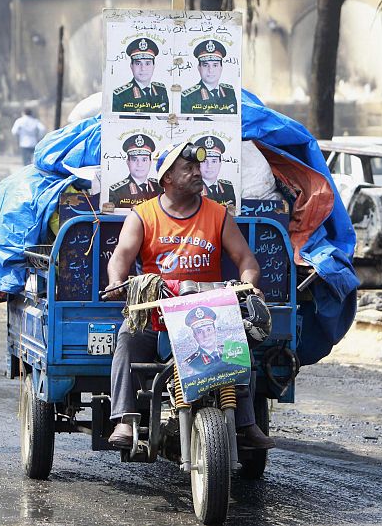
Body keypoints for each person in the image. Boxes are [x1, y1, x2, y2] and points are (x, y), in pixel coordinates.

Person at [104, 140, 274, 450]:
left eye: (198, 167)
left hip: (209, 311)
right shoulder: (143, 216)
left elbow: (245, 259)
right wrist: (117, 281)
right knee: (127, 338)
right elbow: (120, 257)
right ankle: (125, 421)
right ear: (167, 178)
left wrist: (250, 283)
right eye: (189, 168)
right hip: (157, 314)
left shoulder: (217, 214)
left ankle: (246, 423)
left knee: (239, 345)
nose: (198, 172)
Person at [112, 37, 169, 114]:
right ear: (131, 66)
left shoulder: (161, 90)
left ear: (154, 66)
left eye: (148, 63)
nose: (143, 68)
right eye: (138, 63)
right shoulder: (120, 96)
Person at [181, 40, 238, 115]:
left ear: (221, 67)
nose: (210, 70)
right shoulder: (188, 97)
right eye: (205, 65)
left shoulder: (229, 92)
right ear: (199, 68)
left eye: (215, 65)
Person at [109, 134, 163, 209]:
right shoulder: (116, 192)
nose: (139, 164)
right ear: (128, 162)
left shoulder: (160, 187)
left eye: (144, 160)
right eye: (134, 159)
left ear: (150, 162)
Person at [195, 135, 236, 207]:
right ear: (197, 164)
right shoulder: (194, 188)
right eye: (204, 161)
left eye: (214, 161)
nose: (209, 166)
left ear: (220, 163)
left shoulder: (227, 187)